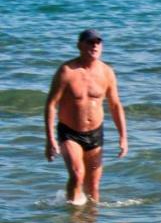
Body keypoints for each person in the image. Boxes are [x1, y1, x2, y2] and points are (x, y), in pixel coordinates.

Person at [44, 29, 127, 205]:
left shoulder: (106, 72)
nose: (94, 45)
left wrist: (123, 137)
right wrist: (50, 139)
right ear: (79, 45)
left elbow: (115, 105)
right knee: (77, 174)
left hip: (95, 134)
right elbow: (51, 105)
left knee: (94, 185)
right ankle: (72, 216)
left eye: (98, 42)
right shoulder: (66, 71)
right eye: (90, 42)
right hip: (70, 132)